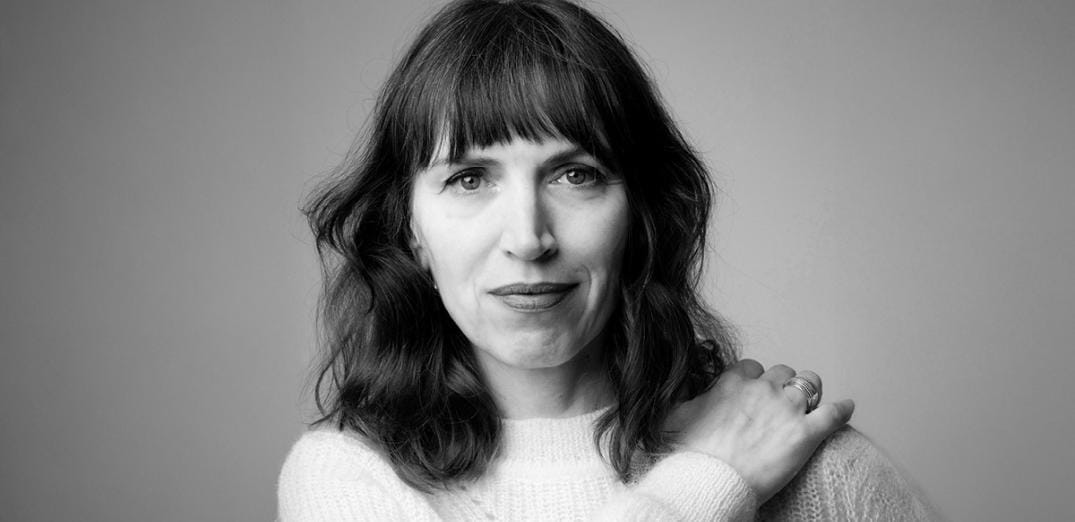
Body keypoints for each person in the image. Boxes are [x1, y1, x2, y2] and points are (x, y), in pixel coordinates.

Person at [278, 0, 936, 519]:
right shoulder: (347, 478)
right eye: (469, 179)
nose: (528, 238)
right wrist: (713, 481)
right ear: (410, 229)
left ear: (640, 216)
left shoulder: (814, 467)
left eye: (575, 175)